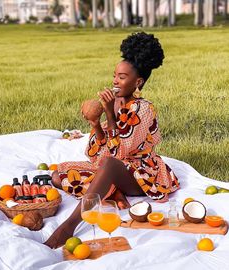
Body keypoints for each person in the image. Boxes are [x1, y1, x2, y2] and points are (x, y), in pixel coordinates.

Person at [44, 32, 180, 249]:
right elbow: (95, 154)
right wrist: (96, 124)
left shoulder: (143, 108)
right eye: (115, 75)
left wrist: (109, 115)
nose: (115, 80)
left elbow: (119, 153)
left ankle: (68, 226)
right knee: (58, 175)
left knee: (108, 166)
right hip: (115, 168)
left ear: (138, 82)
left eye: (122, 77)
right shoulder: (114, 103)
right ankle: (113, 191)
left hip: (140, 173)